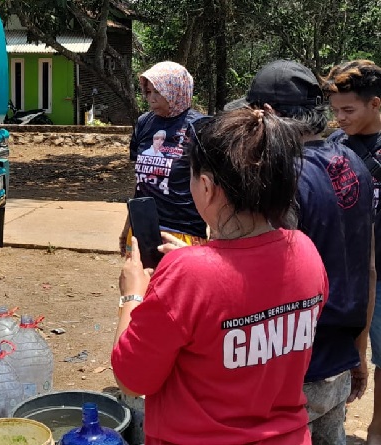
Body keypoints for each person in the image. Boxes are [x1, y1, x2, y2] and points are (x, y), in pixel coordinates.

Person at [112, 108, 328, 444]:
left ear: (206, 186)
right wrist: (197, 263)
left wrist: (132, 295)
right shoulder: (305, 250)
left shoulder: (187, 274)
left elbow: (131, 380)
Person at [240, 59, 374, 444]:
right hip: (340, 356)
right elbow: (367, 267)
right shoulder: (353, 161)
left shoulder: (282, 177)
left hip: (295, 365)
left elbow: (269, 282)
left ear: (267, 113)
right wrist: (359, 350)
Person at [323, 59, 381, 444]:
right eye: (335, 110)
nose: (340, 118)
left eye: (348, 110)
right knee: (339, 350)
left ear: (375, 104)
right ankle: (334, 418)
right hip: (342, 272)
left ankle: (377, 429)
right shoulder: (334, 146)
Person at [120, 61, 207, 256]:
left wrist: (219, 237)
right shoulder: (144, 123)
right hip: (143, 229)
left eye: (158, 92)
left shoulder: (200, 127)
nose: (151, 99)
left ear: (176, 90)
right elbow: (141, 184)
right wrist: (129, 224)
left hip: (183, 233)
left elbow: (214, 186)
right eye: (148, 92)